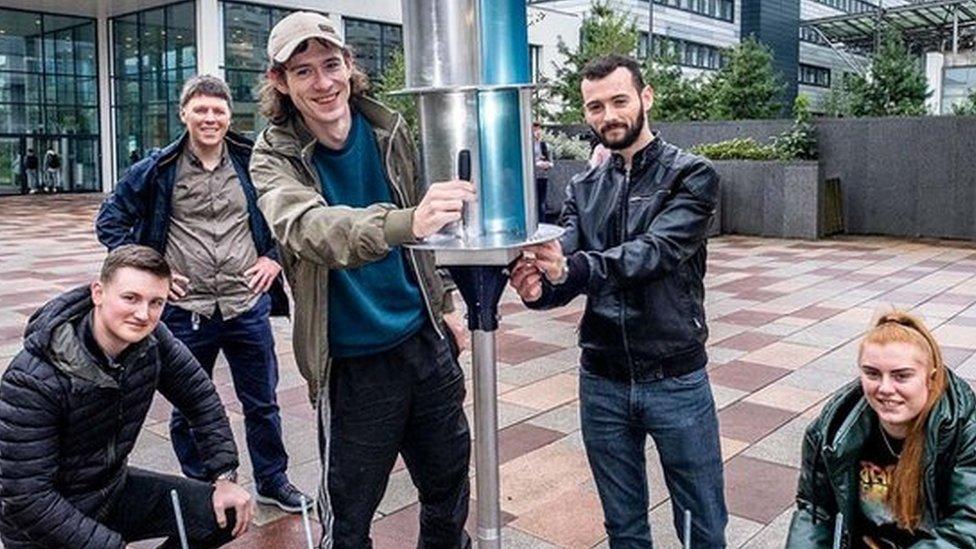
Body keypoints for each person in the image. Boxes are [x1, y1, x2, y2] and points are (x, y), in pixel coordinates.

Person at [249, 12, 473, 548]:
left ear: (349, 66)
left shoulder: (390, 130)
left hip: (424, 344)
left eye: (331, 64)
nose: (323, 82)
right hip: (351, 364)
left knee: (448, 491)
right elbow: (307, 228)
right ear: (280, 82)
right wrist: (405, 221)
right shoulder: (271, 155)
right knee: (349, 520)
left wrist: (444, 302)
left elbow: (433, 235)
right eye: (303, 71)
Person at [509, 54, 726, 548]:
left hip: (676, 378)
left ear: (646, 98)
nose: (608, 115)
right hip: (602, 380)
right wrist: (539, 285)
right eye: (595, 106)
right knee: (623, 528)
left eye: (619, 101)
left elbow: (655, 253)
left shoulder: (691, 176)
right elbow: (567, 264)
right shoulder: (584, 186)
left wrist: (573, 267)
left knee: (702, 527)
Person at [95, 75, 309, 513]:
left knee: (263, 402)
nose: (210, 118)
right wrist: (155, 274)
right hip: (185, 312)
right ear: (184, 114)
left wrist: (274, 257)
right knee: (187, 405)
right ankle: (203, 484)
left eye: (218, 110)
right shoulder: (157, 169)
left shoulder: (254, 160)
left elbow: (292, 215)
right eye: (201, 109)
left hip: (245, 304)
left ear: (230, 116)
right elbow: (110, 221)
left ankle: (272, 479)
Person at [0, 245, 252, 548]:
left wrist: (224, 474)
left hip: (111, 490)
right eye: (130, 298)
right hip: (42, 524)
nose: (143, 314)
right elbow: (27, 497)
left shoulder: (154, 341)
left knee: (226, 510)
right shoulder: (33, 377)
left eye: (156, 302)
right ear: (98, 293)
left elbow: (200, 398)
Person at [787, 311, 976, 548]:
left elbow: (968, 526)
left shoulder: (966, 431)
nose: (885, 388)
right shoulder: (832, 431)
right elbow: (815, 512)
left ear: (930, 377)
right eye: (872, 374)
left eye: (901, 376)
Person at [532, 121, 552, 222]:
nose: (537, 132)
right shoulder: (528, 145)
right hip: (531, 177)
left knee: (542, 203)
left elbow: (550, 161)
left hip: (542, 176)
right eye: (535, 130)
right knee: (533, 202)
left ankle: (542, 223)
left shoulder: (544, 145)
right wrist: (537, 164)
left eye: (539, 129)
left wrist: (547, 164)